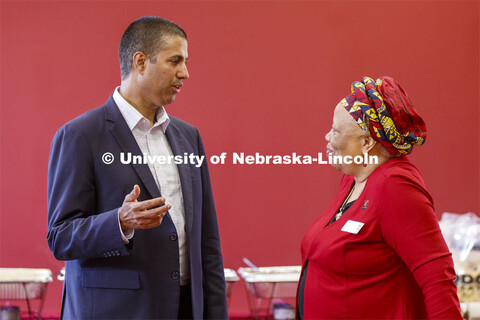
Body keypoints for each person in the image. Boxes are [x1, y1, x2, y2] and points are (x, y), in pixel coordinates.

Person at [47, 16, 228, 319]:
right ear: (141, 62)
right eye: (175, 61)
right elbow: (60, 237)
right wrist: (119, 222)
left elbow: (207, 239)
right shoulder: (80, 135)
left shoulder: (188, 137)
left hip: (186, 308)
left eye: (185, 62)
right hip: (115, 312)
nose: (185, 73)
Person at [297, 76, 462, 319]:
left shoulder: (395, 187)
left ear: (366, 143)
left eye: (335, 130)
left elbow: (437, 276)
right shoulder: (354, 178)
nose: (327, 137)